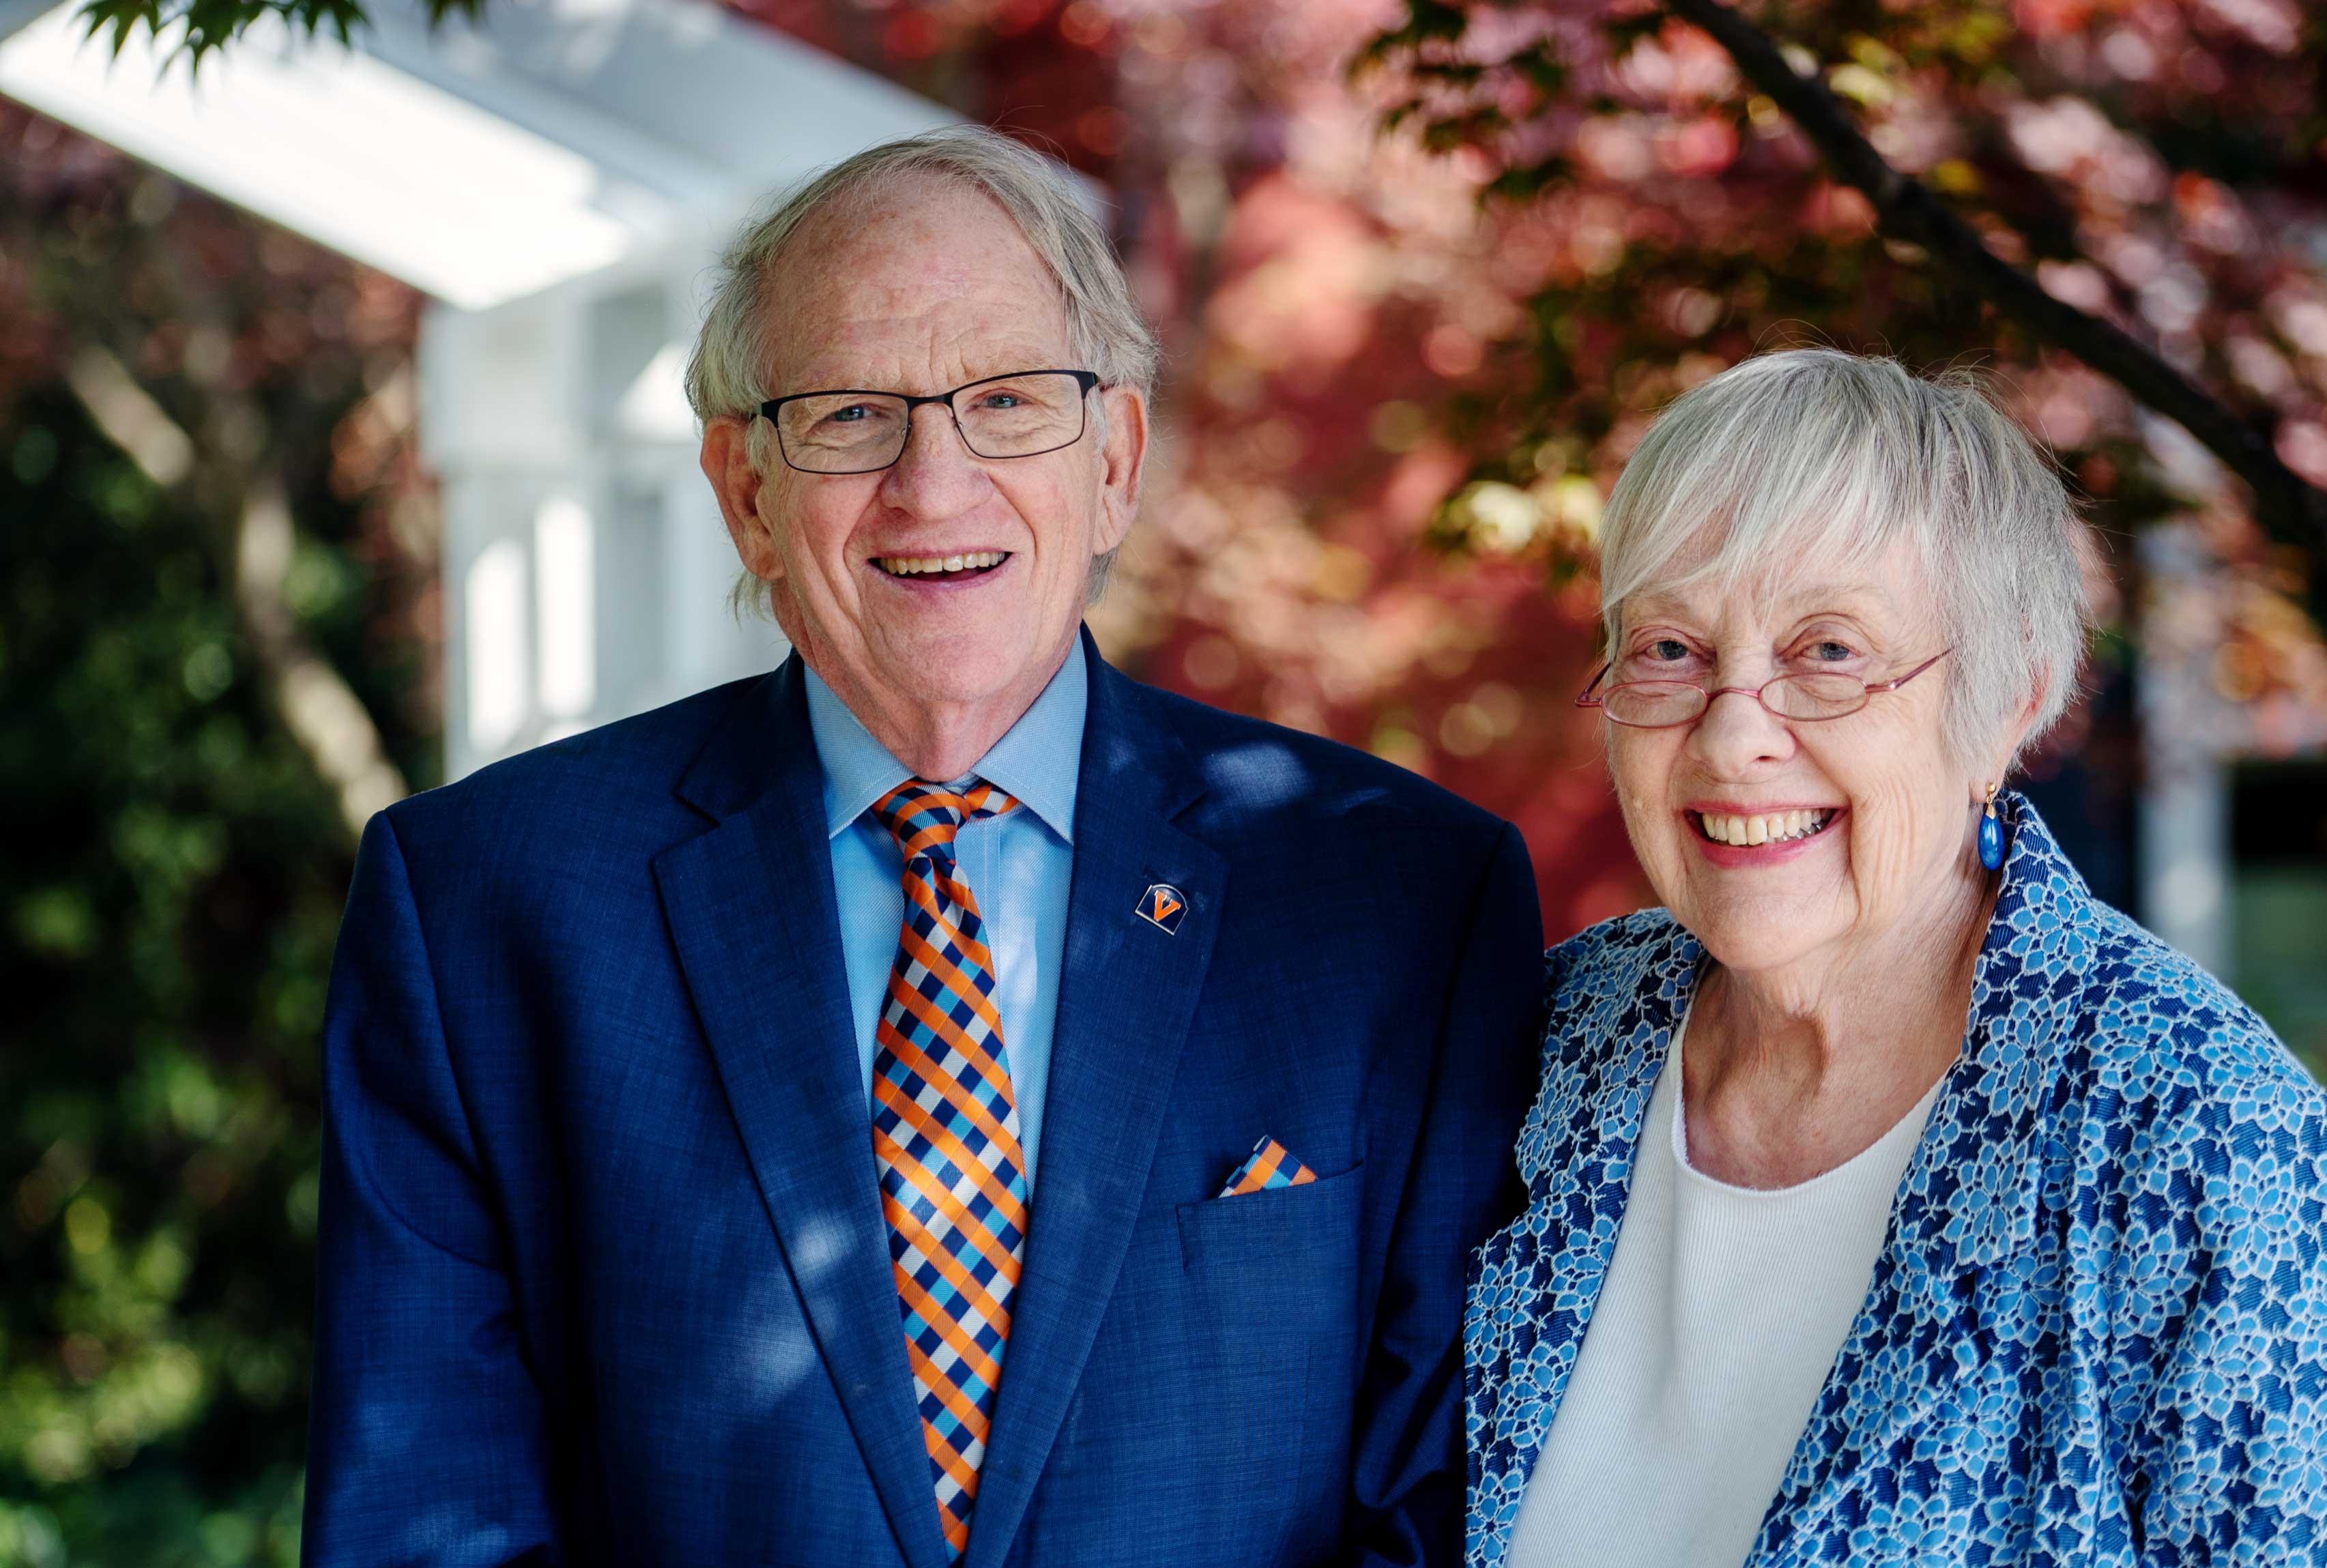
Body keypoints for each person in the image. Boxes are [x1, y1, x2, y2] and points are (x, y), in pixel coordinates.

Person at [303, 128, 1543, 1567]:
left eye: (1009, 402)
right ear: (744, 489)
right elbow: (424, 1524)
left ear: (1117, 461)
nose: (932, 486)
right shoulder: (483, 907)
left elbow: (1441, 1513)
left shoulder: (1396, 900)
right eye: (846, 416)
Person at [1464, 349, 2327, 1567]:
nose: (1735, 735)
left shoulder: (2211, 1139)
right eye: (1671, 649)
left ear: (2009, 701)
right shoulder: (1554, 1037)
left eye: (1830, 651)